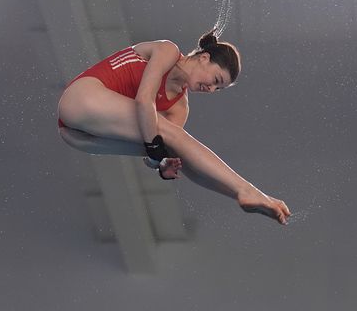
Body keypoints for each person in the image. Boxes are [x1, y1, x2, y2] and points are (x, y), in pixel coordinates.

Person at [57, 29, 292, 225]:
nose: (211, 90)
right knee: (171, 135)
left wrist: (162, 164)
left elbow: (152, 154)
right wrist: (156, 149)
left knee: (176, 148)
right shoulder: (168, 51)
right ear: (204, 58)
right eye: (216, 80)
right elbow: (144, 100)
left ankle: (239, 196)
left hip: (79, 136)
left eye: (218, 89)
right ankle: (246, 188)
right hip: (81, 99)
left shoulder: (179, 108)